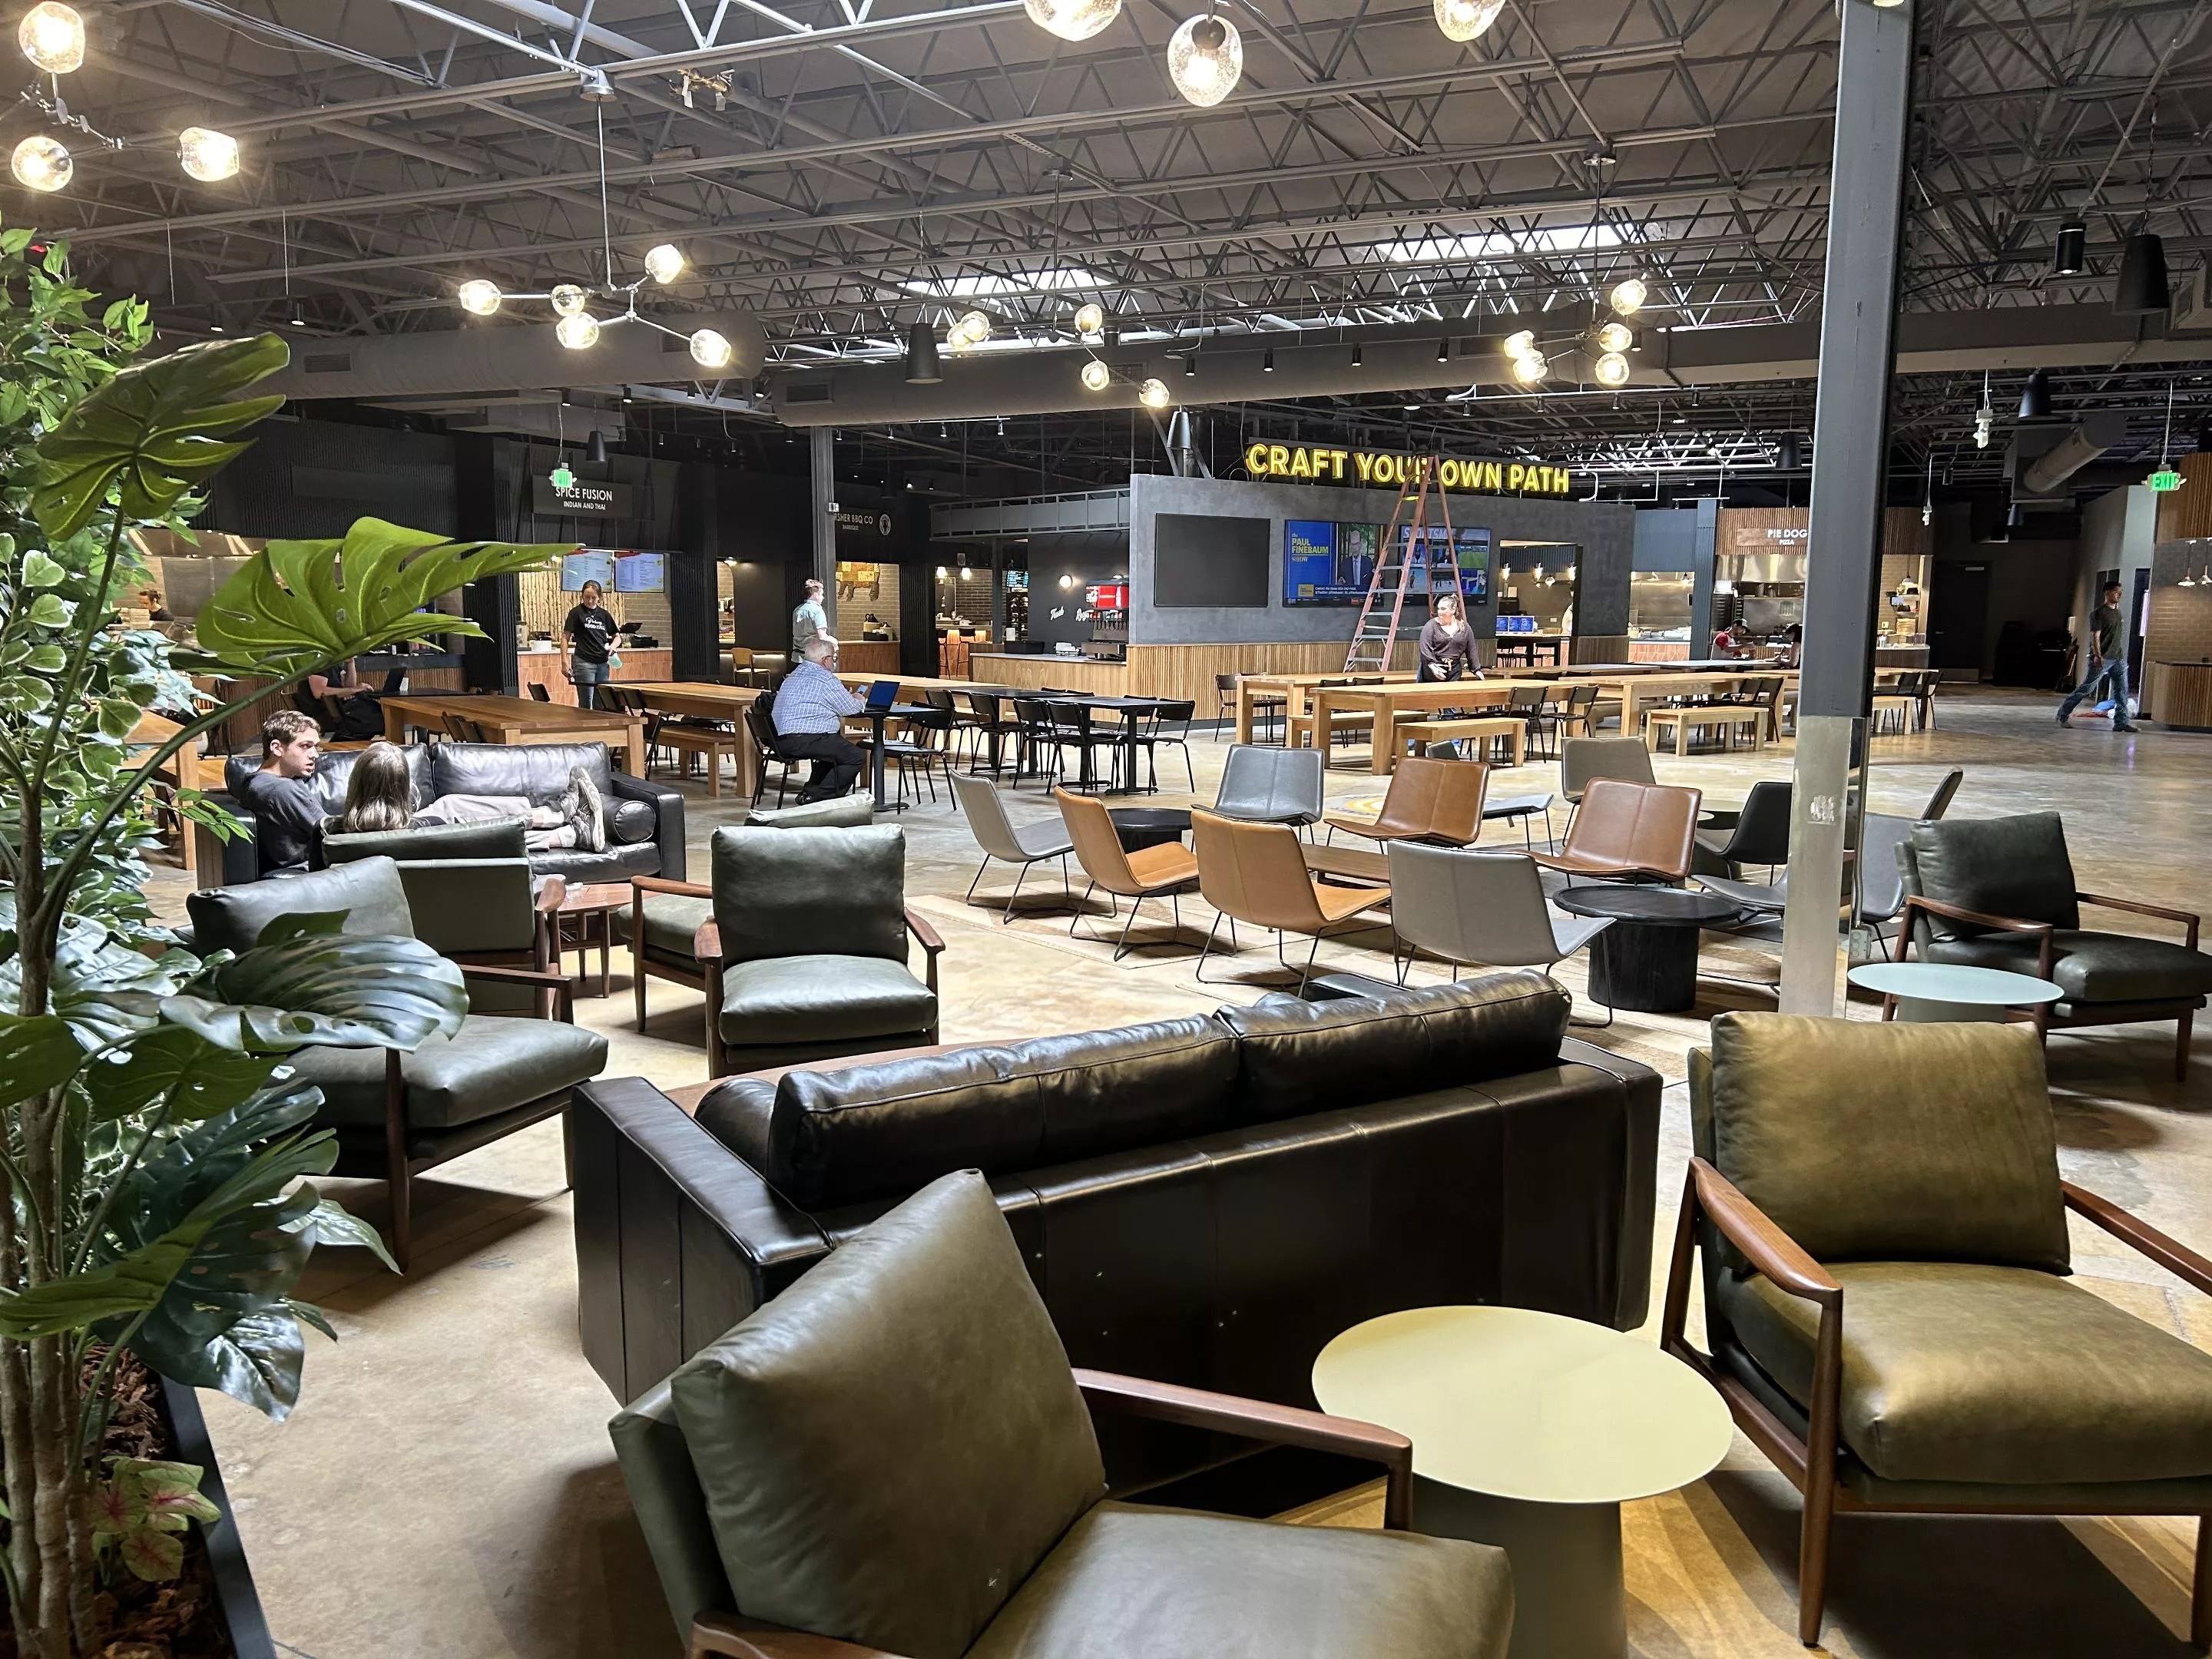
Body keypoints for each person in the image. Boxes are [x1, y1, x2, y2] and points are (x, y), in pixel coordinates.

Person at [330, 740, 607, 851]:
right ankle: (556, 821)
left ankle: (556, 820)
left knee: (451, 806)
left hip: (394, 831)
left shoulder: (335, 834)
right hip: (419, 835)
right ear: (403, 787)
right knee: (472, 826)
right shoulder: (431, 829)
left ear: (357, 784)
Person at [771, 634, 866, 803]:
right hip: (807, 740)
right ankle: (821, 798)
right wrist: (858, 698)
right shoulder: (826, 679)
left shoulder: (792, 677)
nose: (834, 663)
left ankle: (809, 793)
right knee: (855, 756)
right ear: (826, 660)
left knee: (834, 750)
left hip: (779, 741)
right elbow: (850, 709)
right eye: (833, 658)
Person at [244, 710, 330, 876]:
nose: (315, 755)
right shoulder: (281, 789)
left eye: (315, 747)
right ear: (277, 748)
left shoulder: (254, 781)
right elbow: (331, 832)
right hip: (311, 871)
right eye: (305, 746)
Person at [2058, 579, 2137, 732]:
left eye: (2120, 591)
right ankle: (2063, 714)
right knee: (2087, 688)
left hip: (2118, 658)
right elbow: (2095, 636)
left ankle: (2121, 722)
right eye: (2115, 591)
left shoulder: (2117, 612)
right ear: (2107, 593)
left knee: (2122, 691)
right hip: (2103, 657)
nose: (2119, 594)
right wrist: (2097, 655)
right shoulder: (2099, 613)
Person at [300, 657, 405, 740]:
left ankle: (352, 741)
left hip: (336, 711)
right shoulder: (320, 664)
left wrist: (351, 663)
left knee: (373, 708)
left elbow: (350, 685)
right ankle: (350, 742)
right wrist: (354, 690)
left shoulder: (334, 664)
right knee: (374, 713)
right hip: (324, 715)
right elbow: (319, 692)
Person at [562, 580, 620, 710]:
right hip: (584, 661)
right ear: (582, 596)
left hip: (603, 662)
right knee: (586, 701)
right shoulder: (576, 613)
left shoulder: (604, 615)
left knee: (602, 700)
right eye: (586, 597)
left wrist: (613, 647)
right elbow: (565, 637)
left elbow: (617, 637)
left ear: (599, 597)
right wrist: (564, 662)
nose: (590, 601)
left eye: (593, 598)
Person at [1417, 592, 1476, 681]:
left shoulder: (1464, 627)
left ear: (1453, 610)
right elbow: (1425, 648)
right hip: (1433, 672)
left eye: (1443, 609)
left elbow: (1471, 649)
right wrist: (1432, 664)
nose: (1439, 612)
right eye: (1439, 609)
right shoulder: (1431, 626)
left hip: (1454, 672)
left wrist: (1476, 669)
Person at [791, 578, 830, 658]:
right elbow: (822, 637)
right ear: (815, 594)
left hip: (797, 657)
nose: (823, 597)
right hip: (813, 658)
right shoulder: (817, 611)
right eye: (821, 594)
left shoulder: (797, 610)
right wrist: (834, 642)